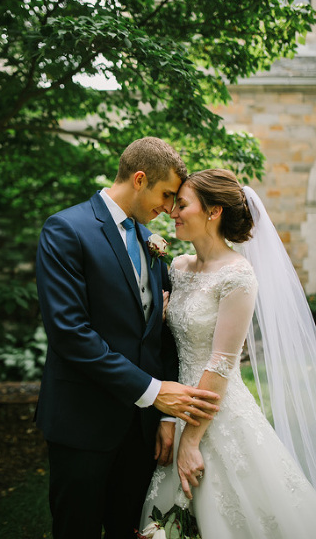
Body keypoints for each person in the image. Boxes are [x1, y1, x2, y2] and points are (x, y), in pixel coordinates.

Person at [34, 137, 222, 539]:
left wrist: (165, 416)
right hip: (83, 423)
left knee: (133, 531)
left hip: (142, 431)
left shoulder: (150, 241)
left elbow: (162, 333)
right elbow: (70, 333)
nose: (170, 208)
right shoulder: (67, 229)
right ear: (139, 179)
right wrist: (154, 391)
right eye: (166, 194)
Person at [140, 169, 316, 537]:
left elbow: (221, 362)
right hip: (177, 403)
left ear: (213, 211)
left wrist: (191, 441)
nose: (172, 212)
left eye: (182, 204)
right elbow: (170, 345)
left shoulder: (238, 275)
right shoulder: (179, 267)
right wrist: (169, 418)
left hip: (216, 410)